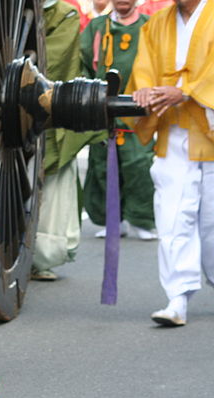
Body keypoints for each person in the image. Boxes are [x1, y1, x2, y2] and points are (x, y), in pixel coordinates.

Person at [128, 0, 214, 326]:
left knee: (211, 226)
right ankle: (177, 299)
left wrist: (188, 91)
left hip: (210, 127)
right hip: (174, 131)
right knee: (172, 216)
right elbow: (144, 69)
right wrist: (146, 92)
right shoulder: (156, 24)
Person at [81, 0, 158, 240]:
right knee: (102, 164)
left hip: (137, 107)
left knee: (139, 164)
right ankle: (111, 219)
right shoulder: (96, 27)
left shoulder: (149, 25)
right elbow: (83, 64)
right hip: (101, 106)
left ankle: (141, 219)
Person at [31, 0, 91, 281]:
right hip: (6, 106)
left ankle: (44, 254)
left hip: (51, 108)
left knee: (52, 181)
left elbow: (51, 66)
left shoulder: (63, 13)